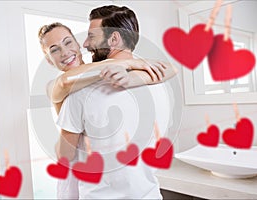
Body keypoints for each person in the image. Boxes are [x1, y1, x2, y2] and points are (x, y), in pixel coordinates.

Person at [55, 5, 176, 199]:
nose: (85, 44)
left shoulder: (81, 91)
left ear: (114, 39)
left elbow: (64, 156)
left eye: (91, 36)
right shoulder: (161, 84)